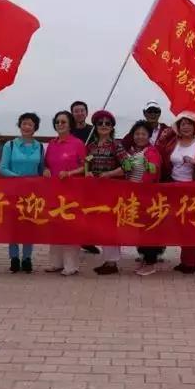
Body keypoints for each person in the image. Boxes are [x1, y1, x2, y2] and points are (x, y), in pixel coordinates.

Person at [161, 111, 195, 274]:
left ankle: (192, 263)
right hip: (174, 188)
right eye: (182, 124)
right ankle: (184, 260)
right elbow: (162, 155)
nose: (186, 127)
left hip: (192, 190)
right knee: (179, 226)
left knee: (191, 226)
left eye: (189, 124)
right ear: (178, 127)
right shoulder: (173, 142)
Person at [0, 112, 44, 273]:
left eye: (30, 124)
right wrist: (19, 179)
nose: (26, 127)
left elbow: (41, 169)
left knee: (29, 224)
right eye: (24, 123)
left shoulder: (39, 146)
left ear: (35, 128)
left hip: (32, 193)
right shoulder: (10, 145)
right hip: (13, 191)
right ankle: (14, 258)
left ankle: (27, 258)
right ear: (20, 125)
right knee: (13, 225)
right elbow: (2, 168)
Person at [44, 110, 87, 276]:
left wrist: (70, 173)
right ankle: (55, 263)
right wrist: (46, 170)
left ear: (70, 125)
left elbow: (85, 166)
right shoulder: (52, 143)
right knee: (55, 226)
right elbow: (46, 164)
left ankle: (71, 265)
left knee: (70, 227)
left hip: (72, 192)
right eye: (57, 122)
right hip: (54, 191)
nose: (60, 124)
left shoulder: (77, 143)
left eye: (63, 122)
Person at [85, 110, 127, 274]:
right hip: (95, 192)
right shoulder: (91, 147)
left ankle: (112, 262)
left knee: (111, 226)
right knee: (101, 225)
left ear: (112, 127)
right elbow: (87, 164)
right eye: (100, 123)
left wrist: (109, 174)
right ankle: (107, 260)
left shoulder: (116, 145)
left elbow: (127, 166)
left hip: (112, 192)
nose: (104, 126)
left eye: (107, 123)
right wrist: (88, 172)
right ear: (95, 126)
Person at [127, 121, 164, 276]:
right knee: (140, 229)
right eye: (137, 134)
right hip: (135, 198)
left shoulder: (151, 152)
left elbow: (153, 172)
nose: (140, 136)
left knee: (149, 230)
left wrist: (147, 164)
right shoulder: (133, 151)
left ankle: (151, 262)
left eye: (143, 134)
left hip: (147, 197)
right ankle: (144, 258)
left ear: (149, 136)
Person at [71, 102, 101, 256]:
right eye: (76, 111)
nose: (79, 113)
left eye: (82, 110)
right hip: (71, 174)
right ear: (72, 114)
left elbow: (96, 149)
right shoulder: (68, 130)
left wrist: (87, 159)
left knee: (89, 208)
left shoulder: (93, 130)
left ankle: (88, 239)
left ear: (87, 113)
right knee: (72, 207)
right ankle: (72, 238)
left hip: (88, 172)